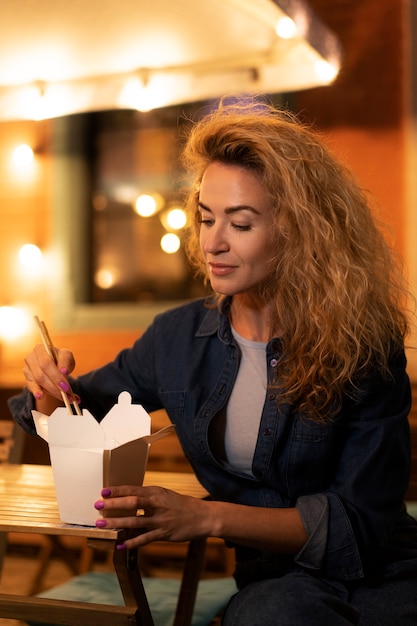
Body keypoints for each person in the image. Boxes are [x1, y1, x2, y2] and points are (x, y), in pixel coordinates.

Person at [9, 99, 417, 625]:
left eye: (240, 224)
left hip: (384, 571)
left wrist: (204, 517)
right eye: (205, 219)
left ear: (299, 232)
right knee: (272, 615)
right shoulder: (177, 339)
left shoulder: (364, 340)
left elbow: (359, 523)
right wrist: (47, 385)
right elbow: (75, 409)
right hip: (278, 582)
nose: (213, 244)